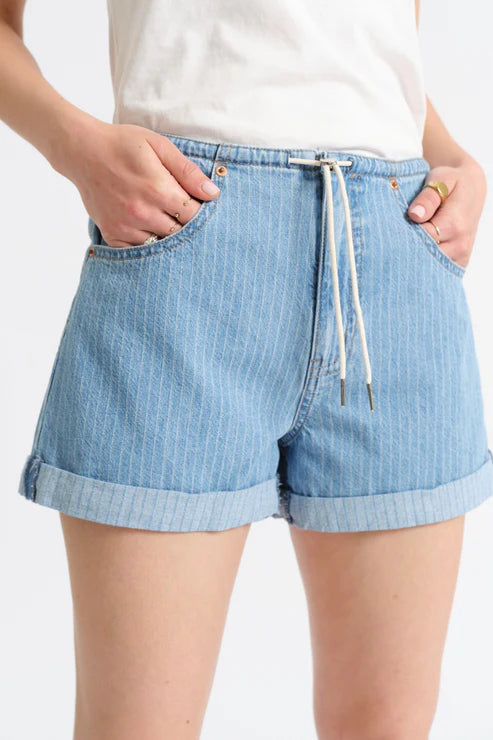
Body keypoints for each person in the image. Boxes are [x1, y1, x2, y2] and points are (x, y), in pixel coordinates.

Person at [4, 0, 493, 736]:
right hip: (183, 243)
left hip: (396, 251)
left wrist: (451, 154)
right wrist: (76, 147)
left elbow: (370, 41)